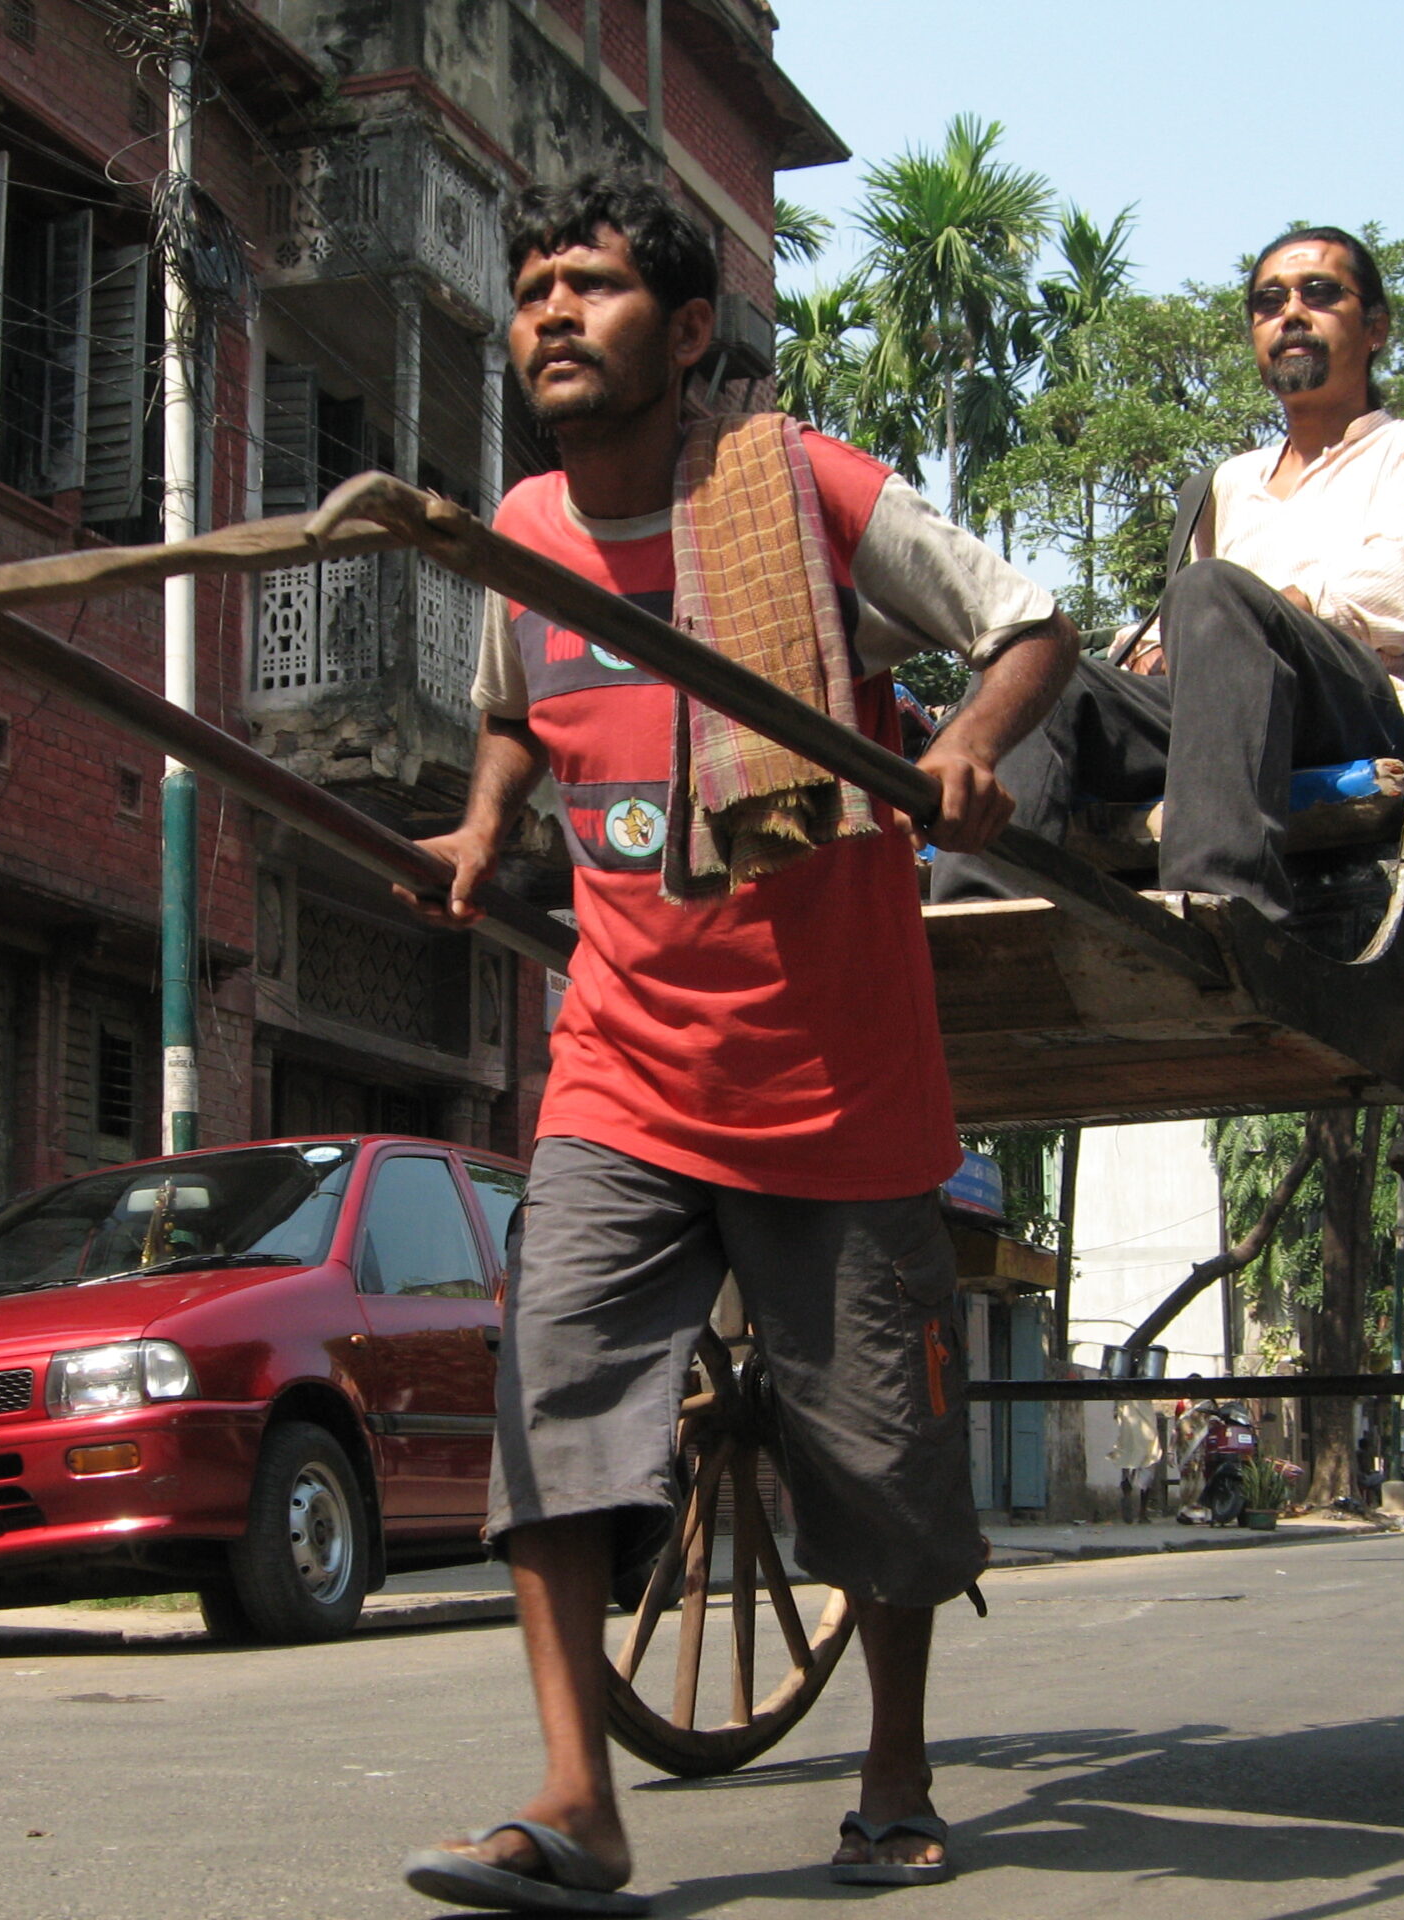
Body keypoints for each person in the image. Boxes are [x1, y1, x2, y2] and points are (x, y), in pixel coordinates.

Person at [393, 175, 1076, 1913]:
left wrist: (973, 744)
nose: (551, 311)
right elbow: (510, 713)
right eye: (535, 283)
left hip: (833, 1072)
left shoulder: (798, 489)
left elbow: (1030, 622)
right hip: (621, 1061)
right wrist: (482, 832)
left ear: (688, 333)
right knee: (549, 1390)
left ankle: (899, 1773)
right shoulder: (523, 531)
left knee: (881, 1451)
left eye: (594, 287)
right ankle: (575, 1799)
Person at [930, 224, 1404, 924]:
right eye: (1268, 301)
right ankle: (982, 916)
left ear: (1374, 328)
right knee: (1040, 664)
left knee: (1213, 593)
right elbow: (1183, 626)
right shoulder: (1228, 482)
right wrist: (1160, 640)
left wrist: (1249, 608)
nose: (1290, 314)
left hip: (1357, 704)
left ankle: (1216, 903)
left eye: (1319, 294)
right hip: (1221, 704)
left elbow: (1396, 594)